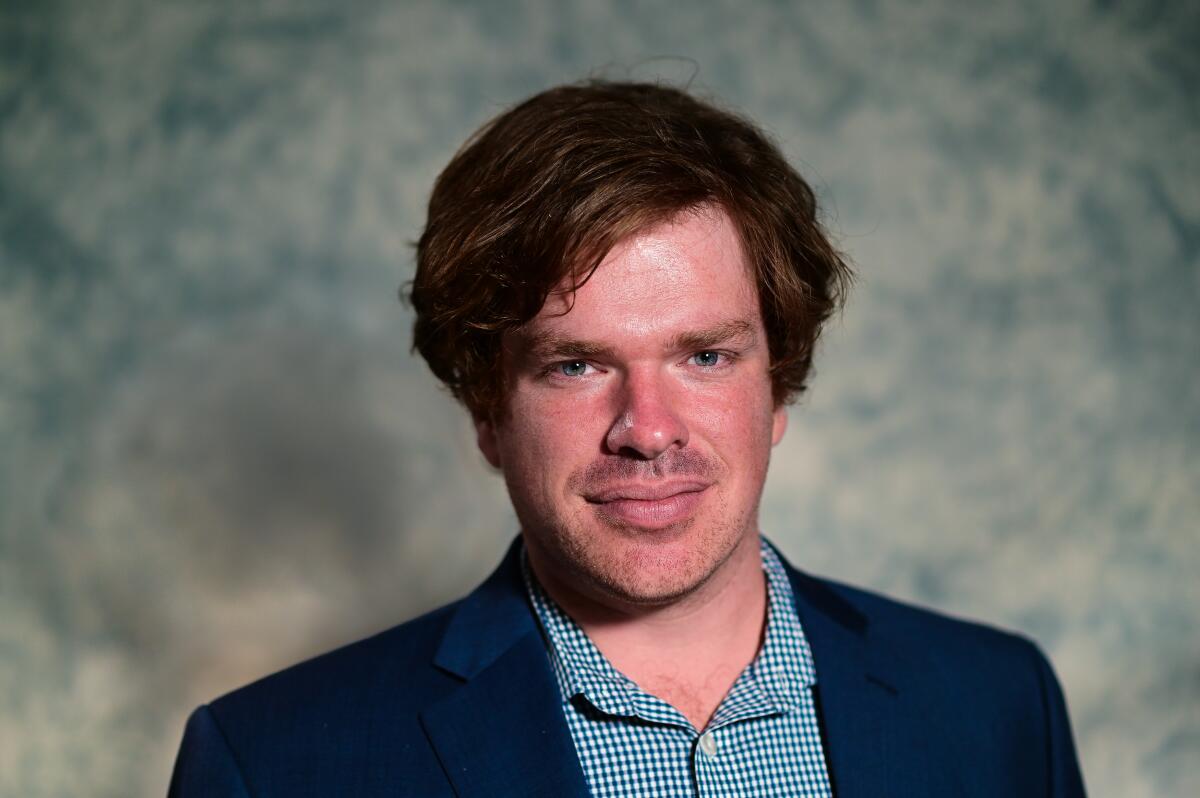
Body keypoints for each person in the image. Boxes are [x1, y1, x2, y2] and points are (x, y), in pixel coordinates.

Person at [168, 81, 1086, 797]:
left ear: (779, 386)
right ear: (487, 410)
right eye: (574, 366)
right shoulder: (277, 766)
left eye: (705, 356)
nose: (647, 431)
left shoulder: (998, 706)